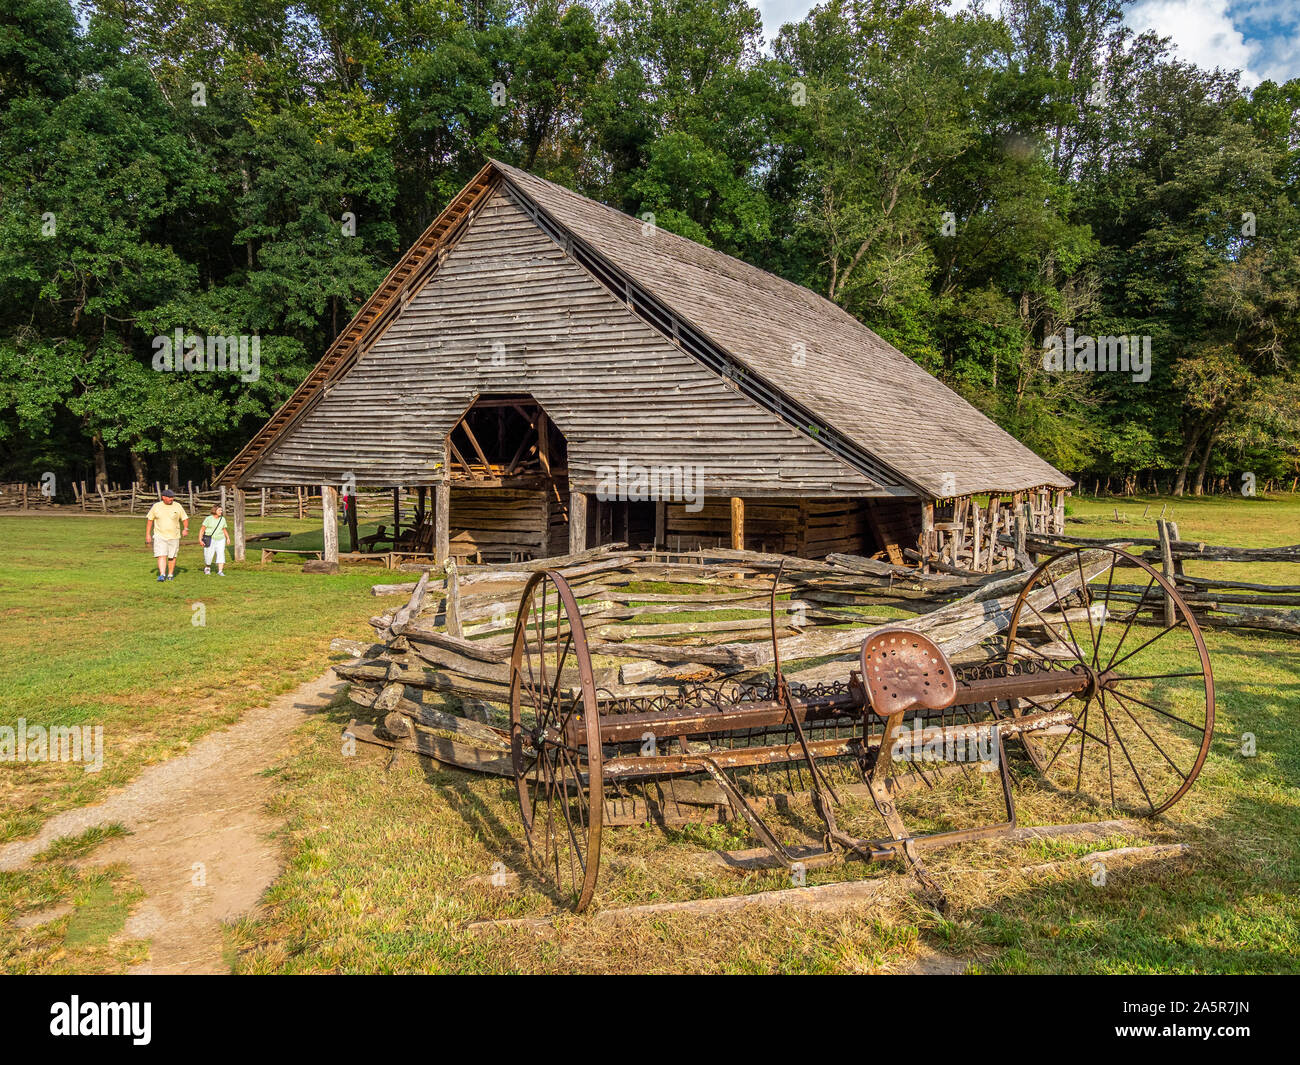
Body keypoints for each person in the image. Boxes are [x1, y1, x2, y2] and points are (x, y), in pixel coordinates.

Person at [145, 487, 189, 581]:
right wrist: (148, 534)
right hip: (159, 535)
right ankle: (162, 574)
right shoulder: (156, 506)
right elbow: (150, 520)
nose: (171, 499)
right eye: (169, 497)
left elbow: (184, 518)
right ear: (163, 497)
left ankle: (170, 574)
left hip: (174, 536)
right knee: (161, 555)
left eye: (172, 497)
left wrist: (185, 528)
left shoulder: (177, 506)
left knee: (172, 556)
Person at [200, 504, 229, 576]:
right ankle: (207, 568)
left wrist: (228, 538)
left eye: (221, 510)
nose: (221, 512)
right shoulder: (208, 519)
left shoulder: (222, 519)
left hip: (221, 539)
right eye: (219, 510)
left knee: (221, 554)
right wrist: (200, 539)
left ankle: (220, 571)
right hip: (210, 539)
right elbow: (202, 529)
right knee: (208, 555)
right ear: (214, 510)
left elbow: (224, 529)